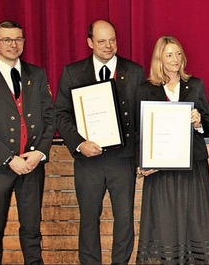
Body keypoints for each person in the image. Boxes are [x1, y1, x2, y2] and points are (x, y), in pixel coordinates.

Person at [55, 19, 145, 264]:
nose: (108, 46)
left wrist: (142, 158)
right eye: (102, 41)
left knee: (125, 219)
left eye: (112, 40)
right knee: (88, 219)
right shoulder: (73, 72)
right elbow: (60, 114)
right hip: (88, 159)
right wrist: (79, 143)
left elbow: (141, 118)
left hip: (123, 159)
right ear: (89, 43)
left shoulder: (135, 71)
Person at [135, 36, 209, 264]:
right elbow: (139, 130)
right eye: (169, 55)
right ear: (159, 58)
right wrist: (143, 161)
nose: (175, 59)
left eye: (179, 54)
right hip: (160, 169)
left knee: (196, 221)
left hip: (192, 166)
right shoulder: (146, 89)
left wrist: (199, 122)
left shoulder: (195, 85)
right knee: (164, 223)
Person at [0, 21, 55, 265]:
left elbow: (49, 118)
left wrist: (40, 152)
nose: (13, 44)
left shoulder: (37, 73)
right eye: (7, 39)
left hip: (33, 165)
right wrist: (9, 159)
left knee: (32, 231)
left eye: (18, 39)